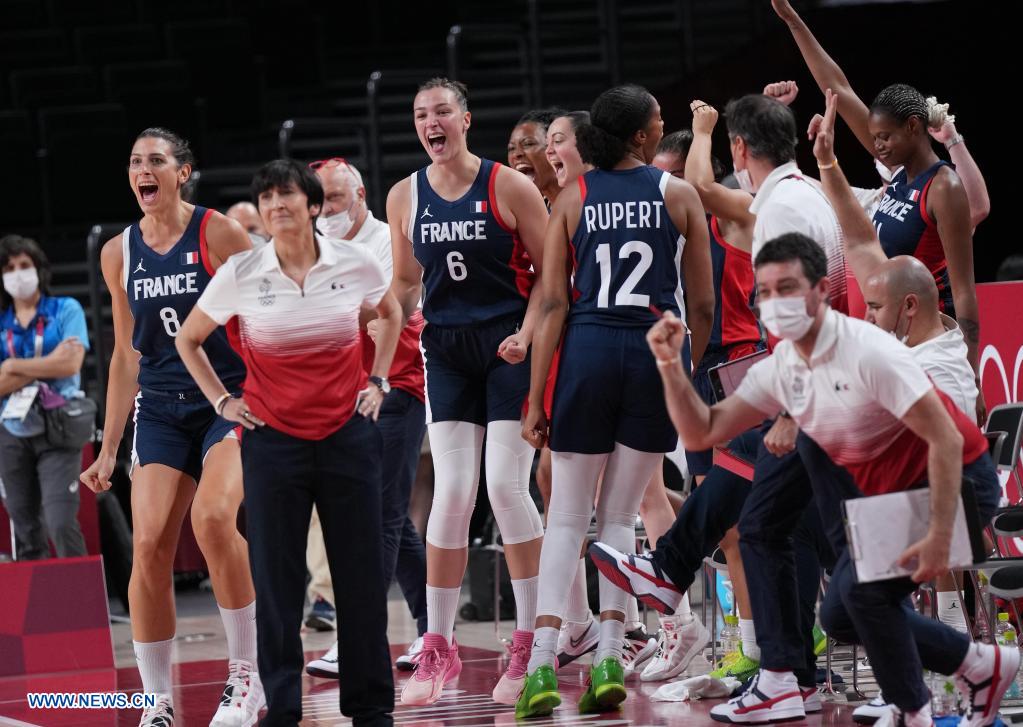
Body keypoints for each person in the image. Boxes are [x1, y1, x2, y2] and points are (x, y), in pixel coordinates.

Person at [633, 232, 1014, 726]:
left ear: (818, 292)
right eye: (765, 292)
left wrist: (942, 534)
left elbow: (944, 438)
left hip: (958, 484)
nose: (775, 302)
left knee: (860, 597)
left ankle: (917, 706)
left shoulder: (868, 350)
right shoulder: (785, 367)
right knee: (839, 613)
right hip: (888, 500)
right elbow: (702, 430)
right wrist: (670, 367)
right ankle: (979, 665)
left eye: (787, 288)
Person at [176, 159, 403, 727]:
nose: (276, 205)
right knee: (278, 583)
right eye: (267, 198)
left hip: (348, 435)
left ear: (312, 204)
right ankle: (282, 706)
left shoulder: (353, 261)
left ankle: (371, 708)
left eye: (286, 195)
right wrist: (222, 402)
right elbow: (189, 339)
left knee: (360, 578)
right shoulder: (242, 271)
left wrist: (378, 380)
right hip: (272, 441)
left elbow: (391, 311)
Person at [514, 84, 713, 719]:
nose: (663, 124)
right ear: (643, 136)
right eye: (659, 119)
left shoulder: (574, 196)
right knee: (622, 518)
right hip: (655, 351)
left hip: (590, 351)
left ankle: (541, 666)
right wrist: (683, 370)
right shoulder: (677, 193)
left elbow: (552, 302)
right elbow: (702, 303)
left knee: (568, 516)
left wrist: (535, 398)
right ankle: (607, 657)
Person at [79, 127, 261, 727]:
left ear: (183, 172)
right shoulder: (118, 252)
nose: (142, 170)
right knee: (150, 545)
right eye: (135, 161)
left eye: (155, 160)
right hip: (159, 408)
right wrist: (109, 448)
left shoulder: (219, 233)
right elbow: (125, 354)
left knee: (212, 520)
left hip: (225, 401)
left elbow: (262, 318)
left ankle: (247, 677)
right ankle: (155, 700)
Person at [382, 78, 548, 707]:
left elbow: (551, 276)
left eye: (442, 111)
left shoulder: (507, 186)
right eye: (421, 114)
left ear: (466, 119)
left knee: (505, 486)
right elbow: (406, 283)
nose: (432, 122)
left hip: (508, 345)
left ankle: (530, 641)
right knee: (451, 491)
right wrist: (381, 315)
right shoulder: (405, 195)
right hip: (447, 350)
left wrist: (528, 335)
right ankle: (438, 645)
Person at [304, 156, 429, 678]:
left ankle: (359, 638)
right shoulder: (316, 247)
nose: (325, 209)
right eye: (318, 200)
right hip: (344, 393)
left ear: (360, 196)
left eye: (334, 197)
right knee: (386, 517)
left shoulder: (387, 241)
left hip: (395, 387)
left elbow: (388, 309)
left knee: (380, 516)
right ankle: (434, 630)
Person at [769, 0, 991, 229]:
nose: (878, 145)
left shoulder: (934, 190)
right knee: (790, 187)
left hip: (890, 228)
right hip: (874, 210)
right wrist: (792, 20)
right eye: (876, 136)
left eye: (885, 136)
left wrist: (952, 140)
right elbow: (838, 88)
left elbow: (976, 209)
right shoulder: (888, 184)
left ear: (912, 129)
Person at [0, 235, 88, 561]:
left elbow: (71, 364)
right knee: (25, 530)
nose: (17, 273)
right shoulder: (2, 323)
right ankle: (36, 596)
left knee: (60, 523)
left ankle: (80, 593)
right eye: (9, 268)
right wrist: (48, 363)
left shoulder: (66, 309)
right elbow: (58, 363)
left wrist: (12, 367)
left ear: (38, 269)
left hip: (59, 425)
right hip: (11, 430)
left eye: (24, 265)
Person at [508, 108, 564, 208]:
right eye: (511, 148)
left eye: (528, 144)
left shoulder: (588, 201)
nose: (516, 154)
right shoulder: (526, 211)